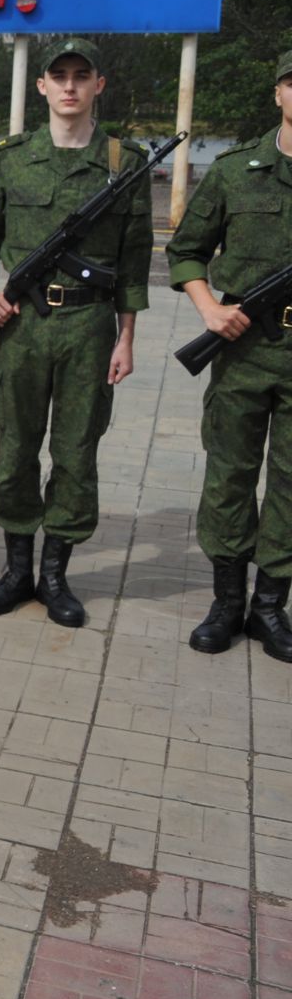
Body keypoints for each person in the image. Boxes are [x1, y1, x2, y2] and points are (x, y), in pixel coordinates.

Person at [0, 38, 150, 629]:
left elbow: (135, 258)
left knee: (75, 451)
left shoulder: (126, 162)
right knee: (16, 445)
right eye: (59, 76)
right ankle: (16, 570)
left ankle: (55, 575)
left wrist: (126, 336)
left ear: (99, 85)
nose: (69, 86)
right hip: (22, 325)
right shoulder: (13, 156)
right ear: (41, 87)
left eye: (81, 76)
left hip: (89, 326)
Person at [165, 48, 292, 661]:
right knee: (230, 477)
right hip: (241, 351)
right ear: (278, 94)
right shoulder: (237, 170)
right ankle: (226, 602)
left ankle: (270, 607)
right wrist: (208, 308)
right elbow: (186, 249)